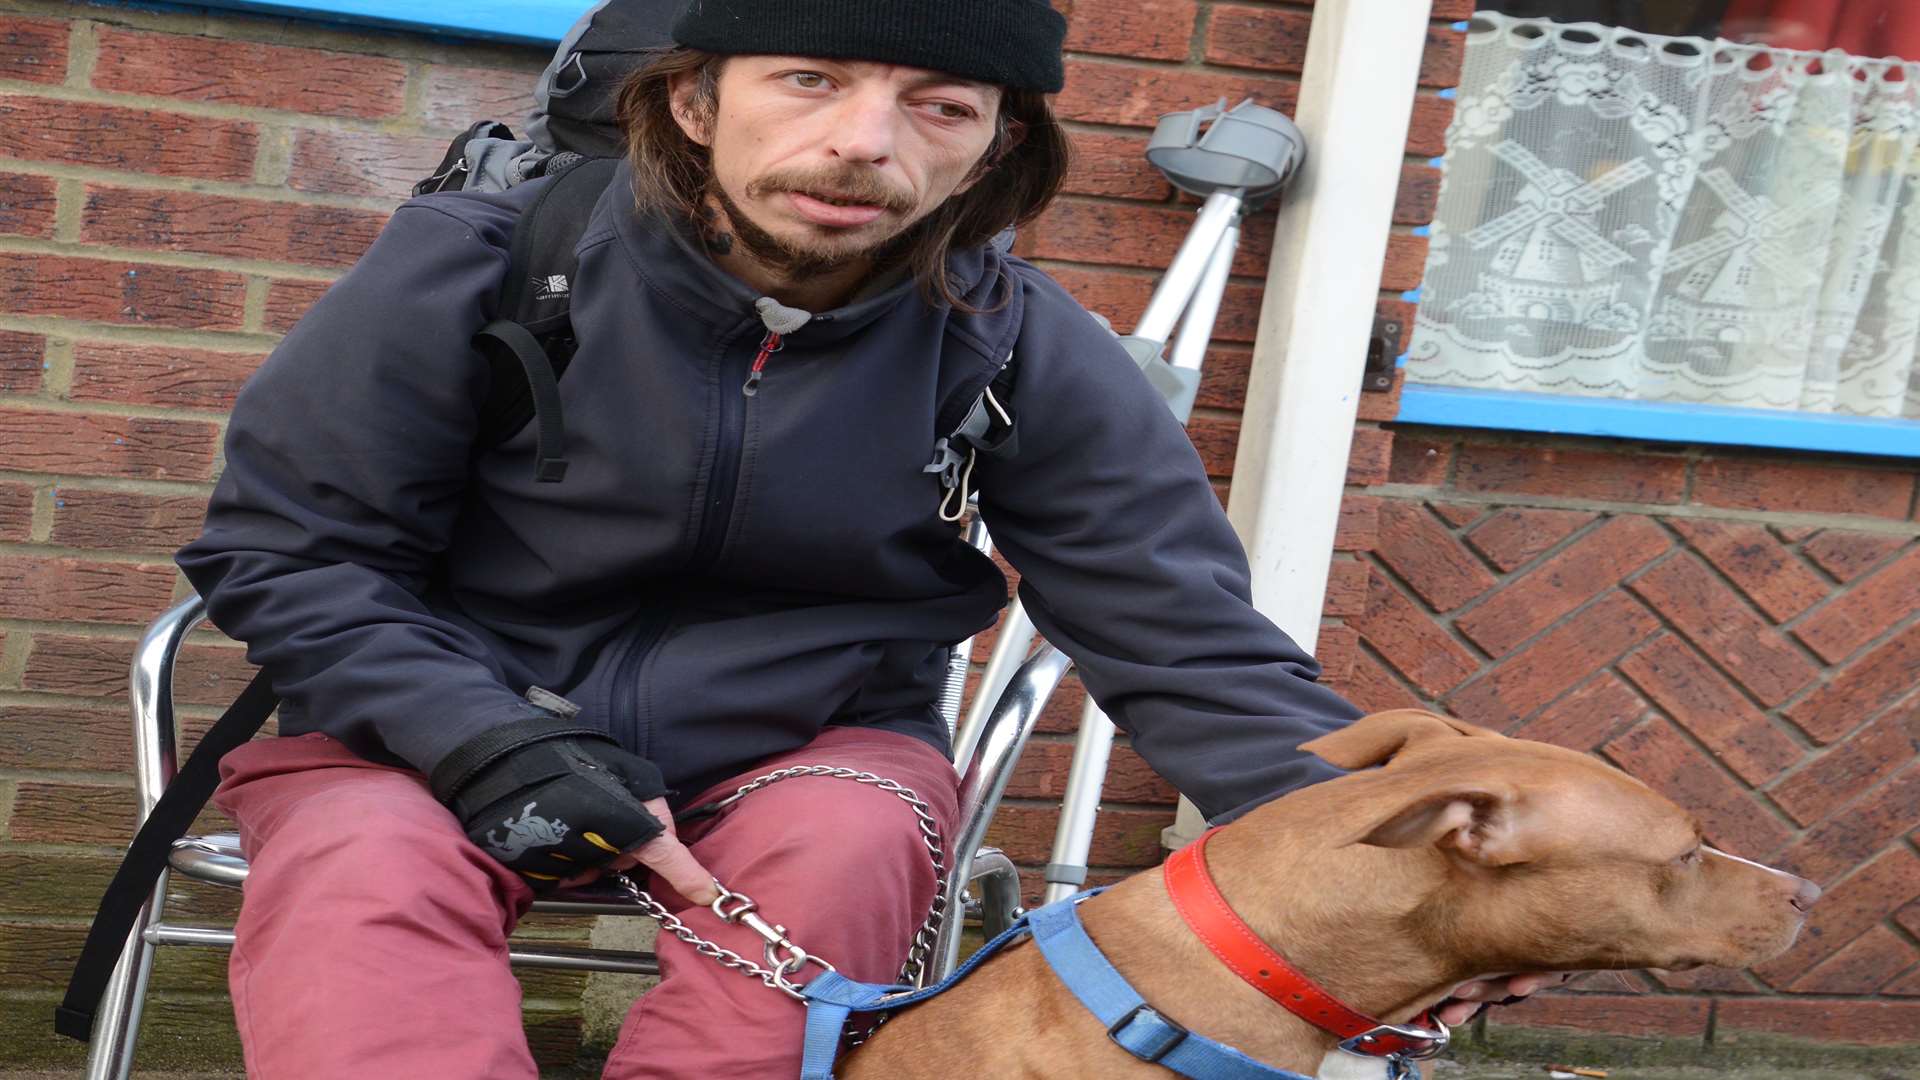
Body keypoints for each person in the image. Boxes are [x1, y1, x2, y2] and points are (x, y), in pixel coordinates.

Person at [176, 1, 1556, 1076]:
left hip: (809, 743)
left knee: (849, 844)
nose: (864, 143)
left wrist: (1416, 866)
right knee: (367, 866)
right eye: (809, 81)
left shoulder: (1019, 345)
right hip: (441, 719)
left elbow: (1183, 636)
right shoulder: (482, 264)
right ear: (698, 97)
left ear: (999, 142)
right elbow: (291, 551)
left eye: (938, 106)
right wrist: (492, 741)